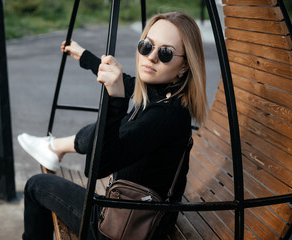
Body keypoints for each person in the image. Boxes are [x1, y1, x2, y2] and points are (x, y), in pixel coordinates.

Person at [19, 11, 207, 240]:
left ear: (185, 66)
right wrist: (83, 56)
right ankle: (54, 147)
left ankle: (53, 148)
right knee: (114, 127)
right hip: (134, 214)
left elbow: (95, 169)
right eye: (147, 46)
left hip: (122, 228)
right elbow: (127, 81)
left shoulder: (165, 116)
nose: (151, 57)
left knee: (35, 186)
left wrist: (115, 100)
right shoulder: (165, 96)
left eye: (165, 53)